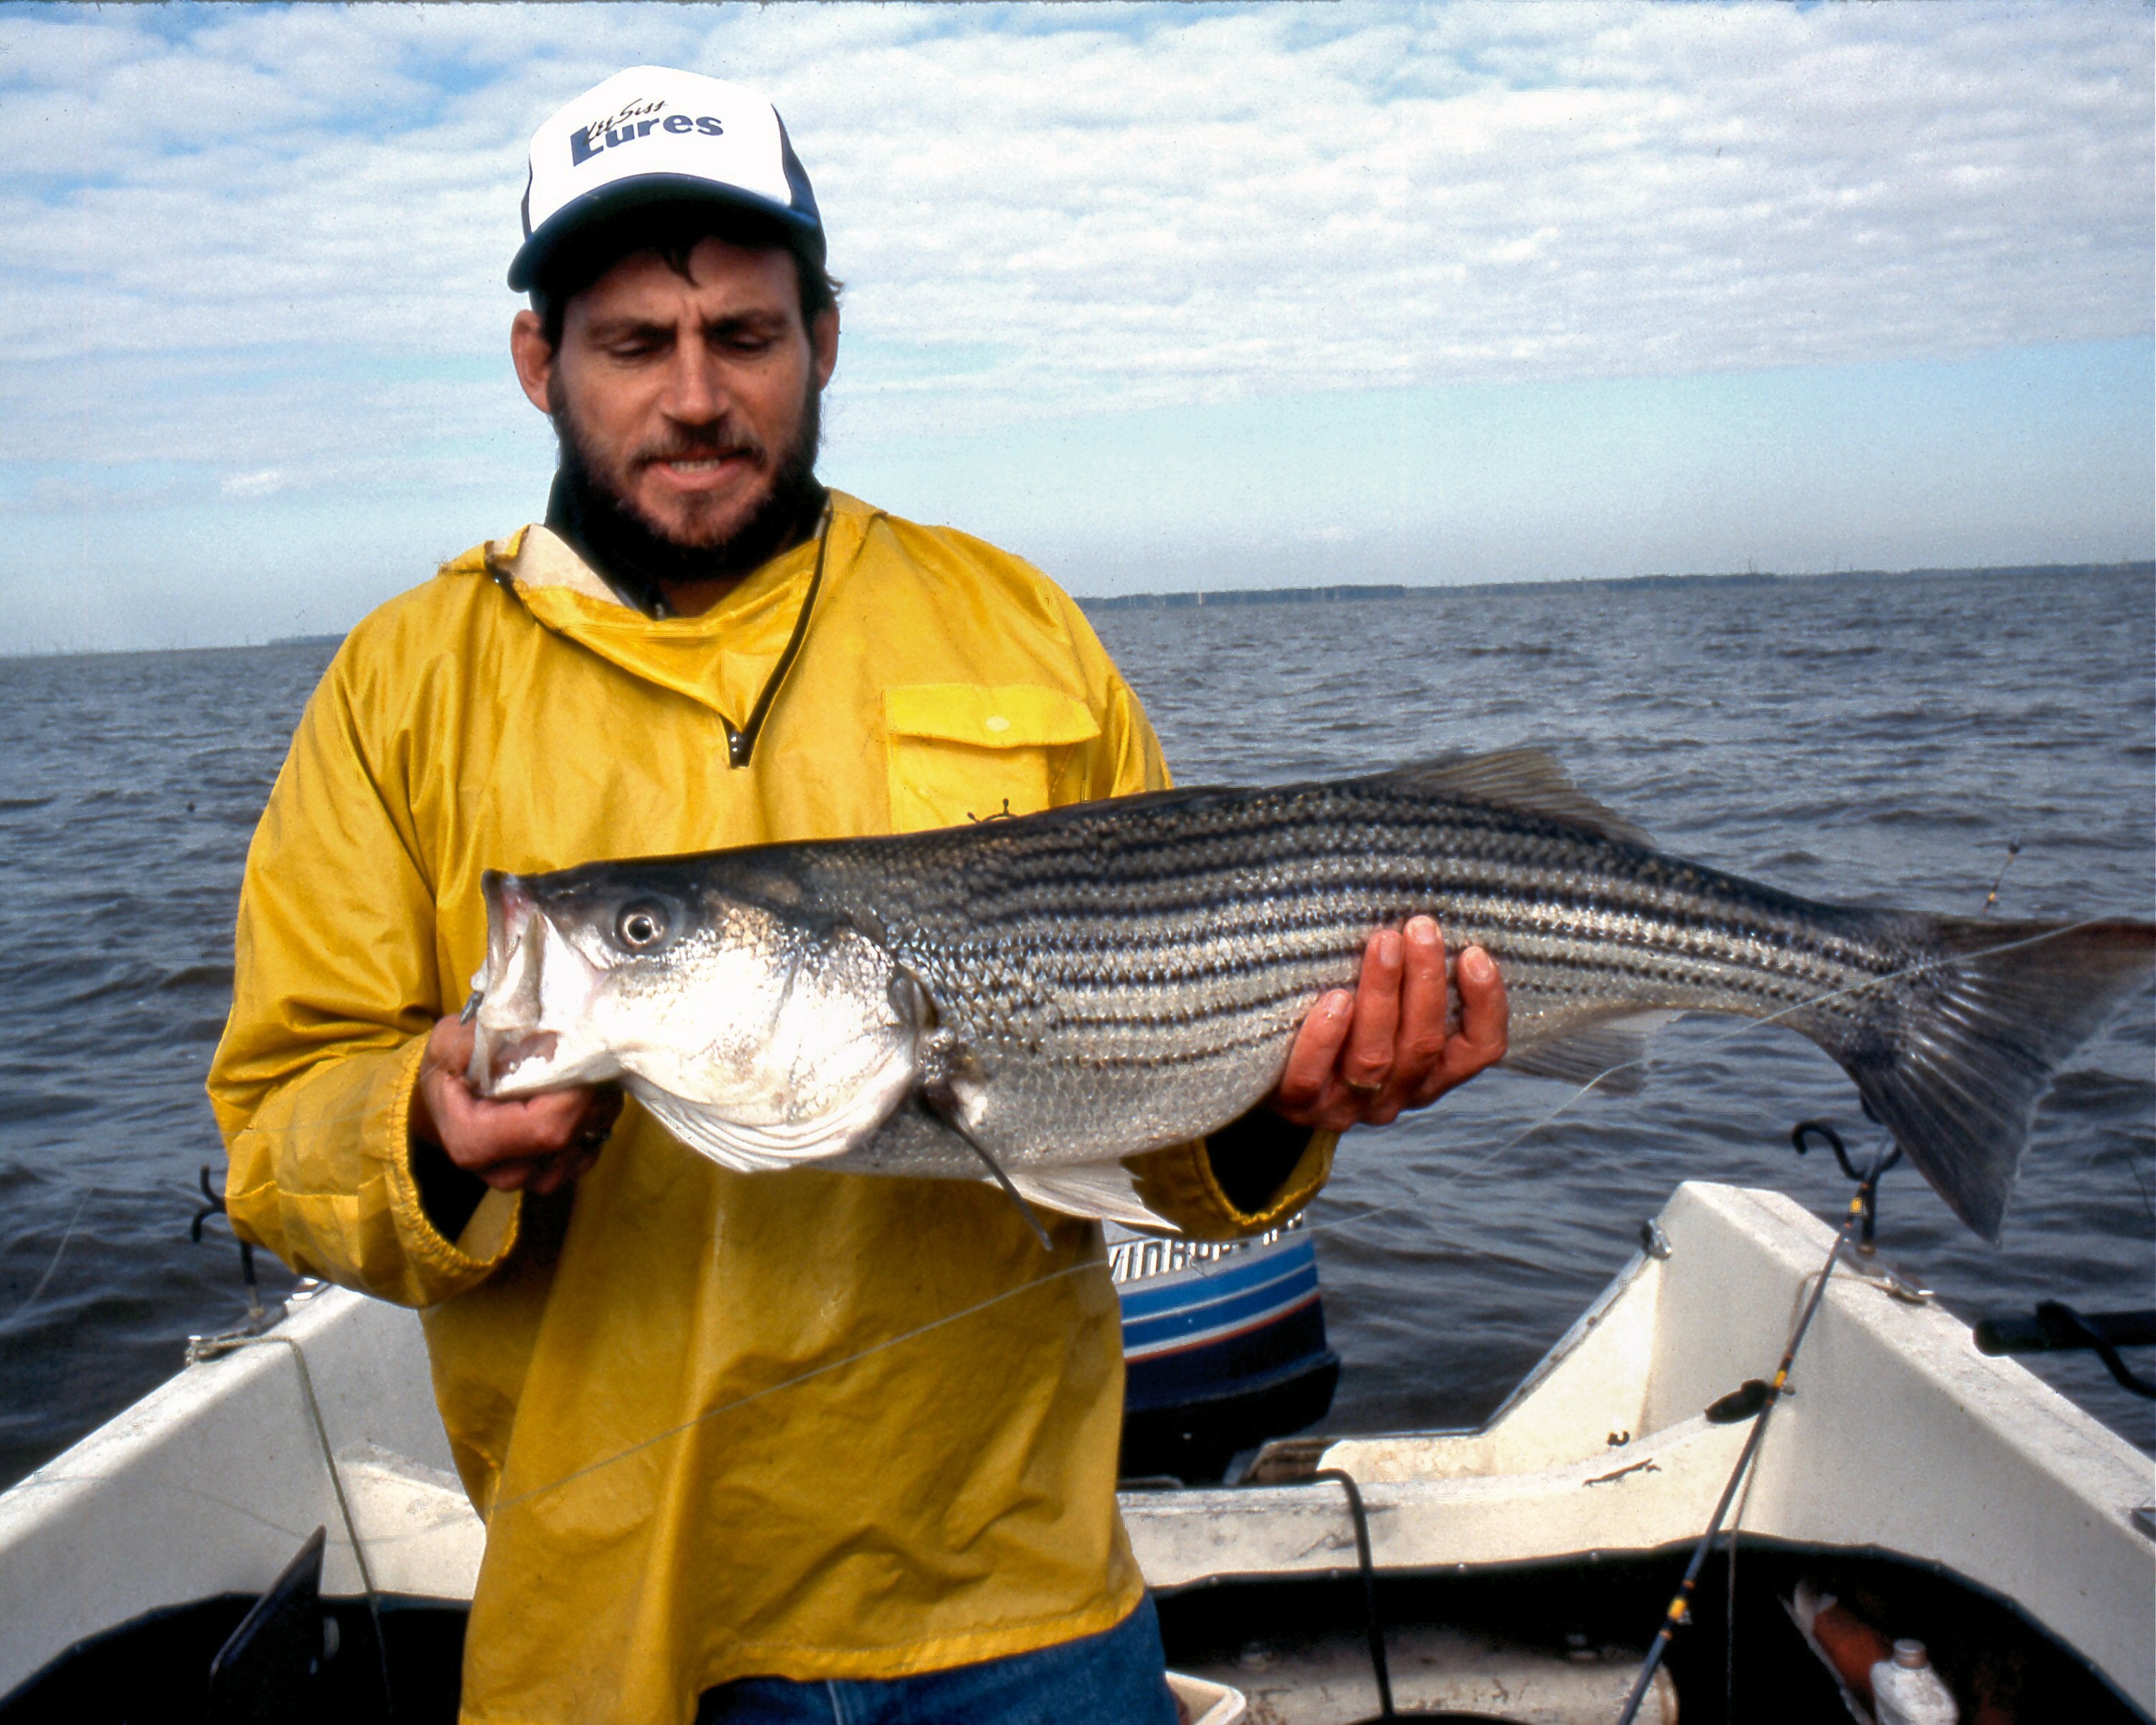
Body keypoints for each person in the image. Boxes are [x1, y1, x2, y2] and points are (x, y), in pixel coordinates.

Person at [208, 67, 1509, 1725]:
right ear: (539, 360)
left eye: (743, 337)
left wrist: (1281, 1111)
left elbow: (1163, 1107)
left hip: (1014, 1596)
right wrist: (426, 1129)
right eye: (633, 345)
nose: (694, 396)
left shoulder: (1013, 621)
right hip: (614, 1625)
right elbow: (270, 1128)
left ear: (824, 337)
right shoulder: (402, 685)